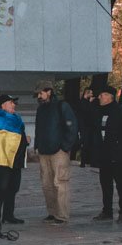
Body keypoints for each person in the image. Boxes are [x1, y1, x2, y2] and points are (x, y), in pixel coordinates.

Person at [33, 79, 79, 224]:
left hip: (59, 152)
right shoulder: (40, 109)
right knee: (47, 184)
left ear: (49, 92)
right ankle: (52, 212)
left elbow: (72, 127)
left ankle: (62, 214)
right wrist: (37, 145)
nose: (39, 96)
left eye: (41, 93)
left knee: (60, 182)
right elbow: (38, 128)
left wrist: (65, 146)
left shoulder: (62, 106)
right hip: (44, 151)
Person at [0, 94, 27, 228]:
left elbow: (16, 136)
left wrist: (24, 140)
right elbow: (4, 139)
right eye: (11, 102)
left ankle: (8, 215)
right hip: (3, 160)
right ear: (3, 105)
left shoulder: (16, 118)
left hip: (16, 159)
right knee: (1, 189)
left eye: (14, 103)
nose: (14, 105)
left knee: (13, 187)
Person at [90, 86, 122, 220]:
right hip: (104, 154)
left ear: (110, 96)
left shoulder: (119, 112)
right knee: (105, 184)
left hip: (118, 154)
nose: (100, 97)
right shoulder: (99, 111)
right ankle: (107, 211)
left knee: (121, 184)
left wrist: (121, 147)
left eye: (102, 94)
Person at [76, 87, 98, 168]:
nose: (92, 95)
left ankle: (86, 161)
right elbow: (87, 112)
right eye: (91, 93)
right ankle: (83, 162)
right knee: (84, 144)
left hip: (87, 126)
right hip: (84, 127)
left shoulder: (85, 102)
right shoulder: (83, 103)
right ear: (87, 93)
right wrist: (90, 103)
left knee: (87, 144)